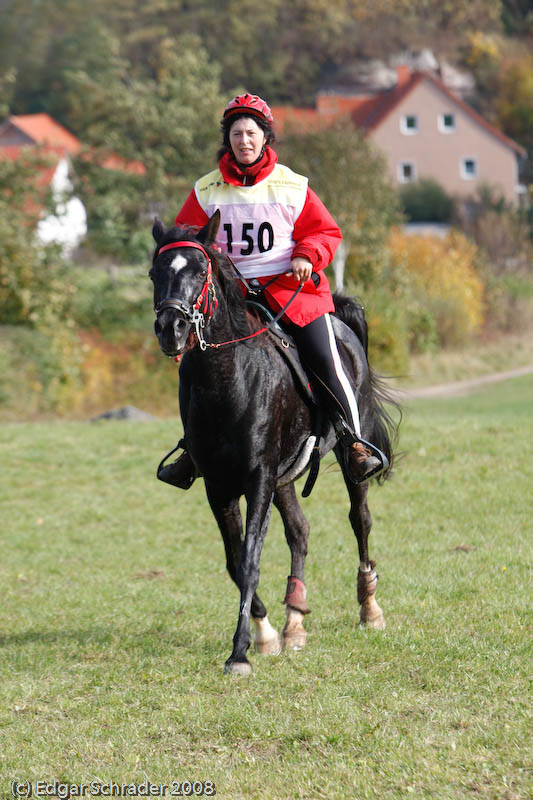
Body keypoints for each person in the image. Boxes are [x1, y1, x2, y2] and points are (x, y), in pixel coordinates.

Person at [159, 92, 381, 489]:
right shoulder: (207, 189)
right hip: (230, 299)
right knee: (192, 365)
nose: (243, 141)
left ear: (265, 138)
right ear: (226, 139)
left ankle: (354, 443)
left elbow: (325, 232)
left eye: (251, 133)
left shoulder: (292, 185)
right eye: (236, 133)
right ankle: (191, 451)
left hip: (290, 294)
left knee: (325, 357)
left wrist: (307, 255)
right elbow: (187, 241)